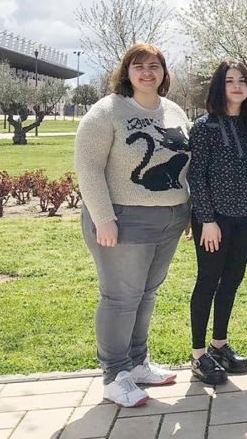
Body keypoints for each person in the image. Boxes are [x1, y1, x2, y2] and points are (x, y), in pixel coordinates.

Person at [75, 43, 191, 408]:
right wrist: (103, 218)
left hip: (170, 218)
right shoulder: (107, 111)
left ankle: (138, 363)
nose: (146, 72)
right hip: (125, 219)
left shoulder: (174, 111)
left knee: (147, 294)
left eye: (154, 66)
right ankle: (115, 374)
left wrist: (188, 211)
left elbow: (185, 163)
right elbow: (89, 167)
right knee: (121, 298)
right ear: (126, 72)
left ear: (163, 72)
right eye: (138, 66)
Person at [186, 60, 247, 385]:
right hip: (214, 221)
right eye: (229, 80)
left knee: (232, 281)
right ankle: (199, 354)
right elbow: (197, 177)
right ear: (219, 86)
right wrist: (207, 220)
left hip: (245, 219)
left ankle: (219, 345)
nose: (236, 86)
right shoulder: (205, 127)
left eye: (242, 80)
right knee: (208, 282)